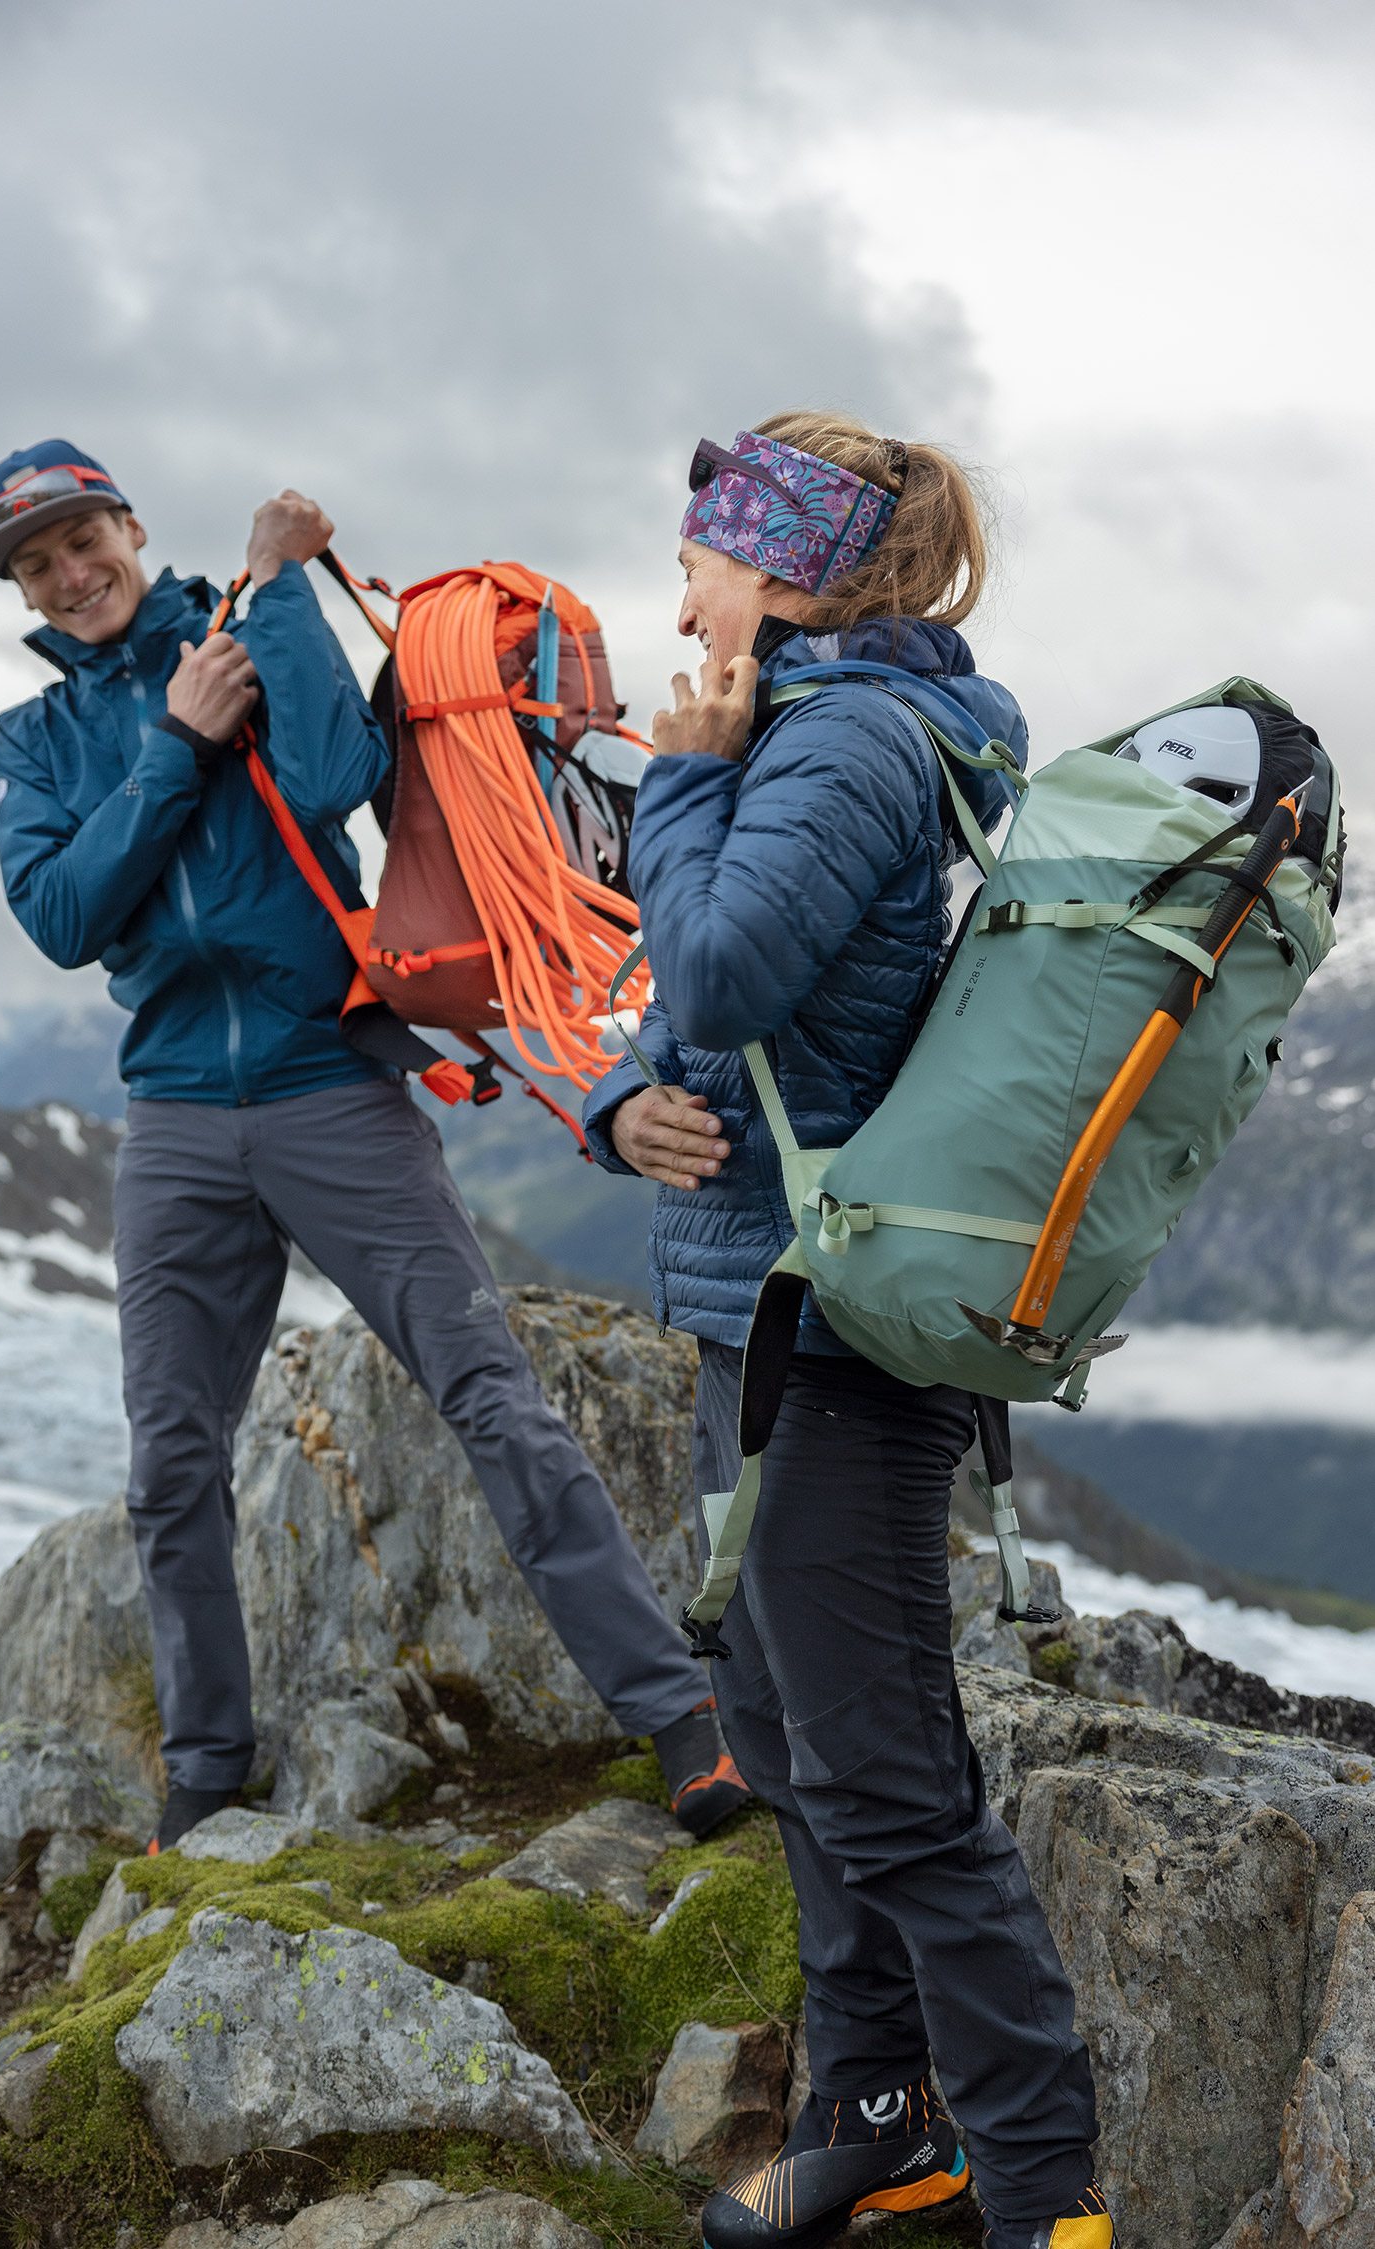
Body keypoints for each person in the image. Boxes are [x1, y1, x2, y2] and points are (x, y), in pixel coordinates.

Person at [0, 440, 749, 1851]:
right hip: (176, 1120)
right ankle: (208, 1774)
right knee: (171, 1465)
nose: (70, 573)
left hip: (332, 1080)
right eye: (36, 563)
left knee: (492, 1400)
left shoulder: (243, 625)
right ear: (19, 584)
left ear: (130, 527)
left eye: (84, 538)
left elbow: (336, 771)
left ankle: (684, 1724)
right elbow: (66, 916)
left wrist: (273, 595)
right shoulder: (34, 741)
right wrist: (178, 744)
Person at [582, 415, 1109, 2249]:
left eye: (706, 558)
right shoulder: (828, 735)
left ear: (788, 572)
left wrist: (682, 768)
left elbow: (719, 965)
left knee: (885, 1772)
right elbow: (745, 1027)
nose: (685, 588)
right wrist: (612, 1112)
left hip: (846, 1329)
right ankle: (874, 2117)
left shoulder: (849, 740)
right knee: (796, 1745)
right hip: (777, 1288)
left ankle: (1048, 2188)